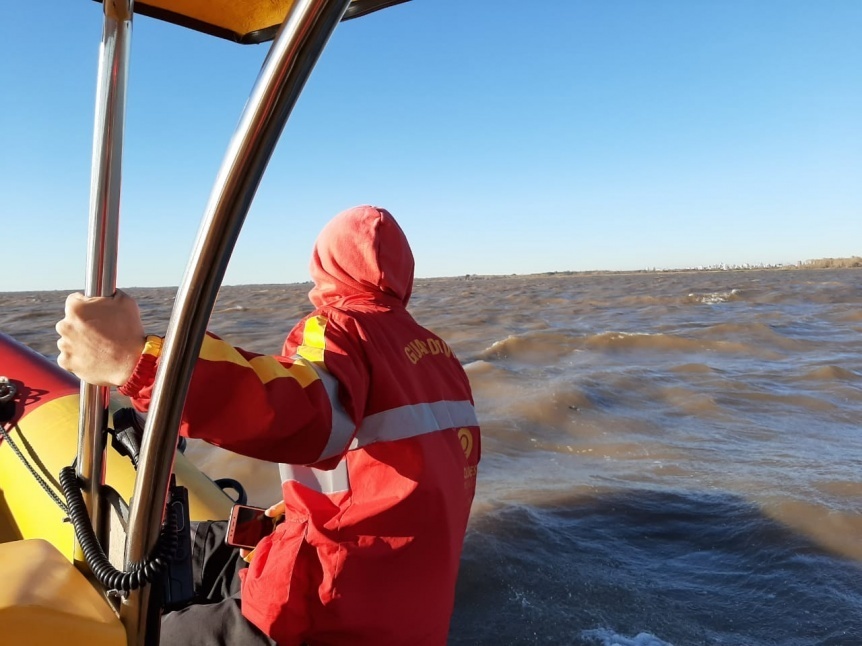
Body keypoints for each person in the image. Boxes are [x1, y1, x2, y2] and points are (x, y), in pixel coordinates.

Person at [56, 205, 481, 645]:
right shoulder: (441, 356)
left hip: (328, 613)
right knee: (206, 542)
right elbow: (391, 474)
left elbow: (300, 412)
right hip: (410, 611)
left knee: (166, 633)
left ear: (327, 267)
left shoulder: (340, 330)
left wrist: (138, 360)